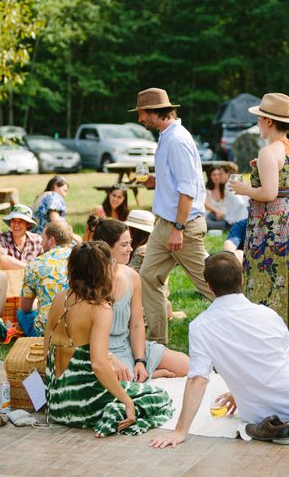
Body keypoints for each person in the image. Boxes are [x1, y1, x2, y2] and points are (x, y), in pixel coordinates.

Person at [149, 252, 289, 449]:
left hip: (258, 415)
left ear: (208, 285)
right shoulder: (266, 314)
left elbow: (198, 378)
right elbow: (281, 358)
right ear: (242, 278)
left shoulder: (200, 326)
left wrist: (180, 431)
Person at [43, 241, 173, 437]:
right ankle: (114, 412)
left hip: (56, 404)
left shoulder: (59, 298)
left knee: (131, 389)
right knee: (160, 397)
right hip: (86, 406)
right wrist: (127, 402)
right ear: (102, 270)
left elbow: (46, 350)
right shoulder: (100, 309)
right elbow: (99, 364)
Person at [131, 87, 214, 344]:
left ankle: (250, 328)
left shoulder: (177, 140)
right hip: (163, 224)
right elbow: (176, 180)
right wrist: (157, 181)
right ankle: (157, 343)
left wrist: (178, 227)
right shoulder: (166, 136)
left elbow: (188, 189)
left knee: (212, 286)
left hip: (183, 226)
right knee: (147, 278)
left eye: (141, 113)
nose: (139, 119)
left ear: (154, 112)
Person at [231, 92, 289, 363]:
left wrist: (244, 188)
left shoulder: (268, 151)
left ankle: (267, 347)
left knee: (267, 285)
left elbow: (268, 192)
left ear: (267, 120)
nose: (258, 124)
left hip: (269, 227)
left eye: (259, 119)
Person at [91, 218, 189, 381]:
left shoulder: (132, 276)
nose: (130, 249)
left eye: (130, 243)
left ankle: (145, 373)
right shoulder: (88, 280)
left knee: (186, 365)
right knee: (118, 381)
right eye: (124, 245)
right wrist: (109, 357)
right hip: (101, 351)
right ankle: (151, 375)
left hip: (128, 344)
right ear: (106, 247)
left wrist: (140, 361)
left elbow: (136, 325)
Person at [19, 221, 73, 336]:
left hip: (47, 332)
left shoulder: (35, 264)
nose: (40, 242)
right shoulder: (83, 258)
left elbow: (25, 307)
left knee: (21, 314)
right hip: (78, 327)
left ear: (51, 240)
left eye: (42, 238)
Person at [204, 166, 228, 230]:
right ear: (210, 176)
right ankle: (225, 226)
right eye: (214, 175)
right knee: (206, 222)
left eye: (218, 174)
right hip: (212, 216)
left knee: (229, 220)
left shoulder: (226, 188)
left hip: (225, 216)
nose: (216, 177)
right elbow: (206, 204)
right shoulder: (207, 190)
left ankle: (224, 225)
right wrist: (216, 211)